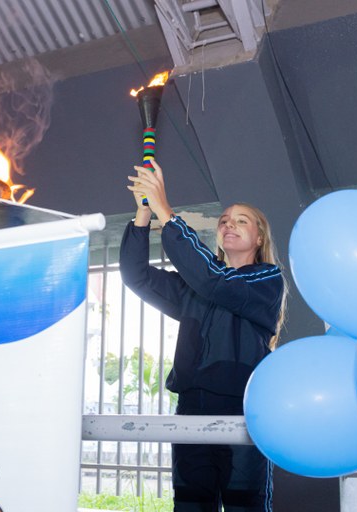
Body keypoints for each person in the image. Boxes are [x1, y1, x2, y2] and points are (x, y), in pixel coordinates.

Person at [120, 160, 285, 512]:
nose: (229, 224)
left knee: (246, 505)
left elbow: (216, 283)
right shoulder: (200, 286)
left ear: (259, 237)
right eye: (224, 220)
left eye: (242, 220)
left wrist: (166, 210)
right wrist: (144, 214)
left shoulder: (266, 279)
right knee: (192, 505)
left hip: (243, 411)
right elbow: (136, 276)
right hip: (191, 410)